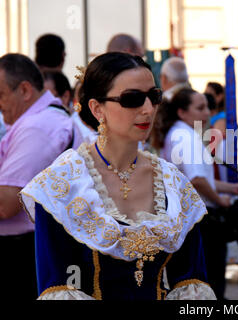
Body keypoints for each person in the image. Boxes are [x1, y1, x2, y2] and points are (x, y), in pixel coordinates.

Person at [19, 52, 216, 300]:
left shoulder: (173, 183)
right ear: (97, 108)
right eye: (132, 98)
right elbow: (58, 286)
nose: (147, 109)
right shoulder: (62, 185)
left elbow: (190, 280)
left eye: (154, 97)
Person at [157, 88, 238, 299]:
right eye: (200, 108)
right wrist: (222, 201)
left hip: (187, 218)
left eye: (207, 107)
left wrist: (231, 188)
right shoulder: (186, 137)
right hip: (201, 221)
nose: (207, 113)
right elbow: (197, 180)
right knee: (210, 281)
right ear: (182, 112)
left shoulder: (178, 133)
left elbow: (201, 178)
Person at [0, 53, 73, 300]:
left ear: (24, 90)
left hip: (25, 254)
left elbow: (6, 204)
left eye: (1, 95)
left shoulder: (38, 127)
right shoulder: (40, 120)